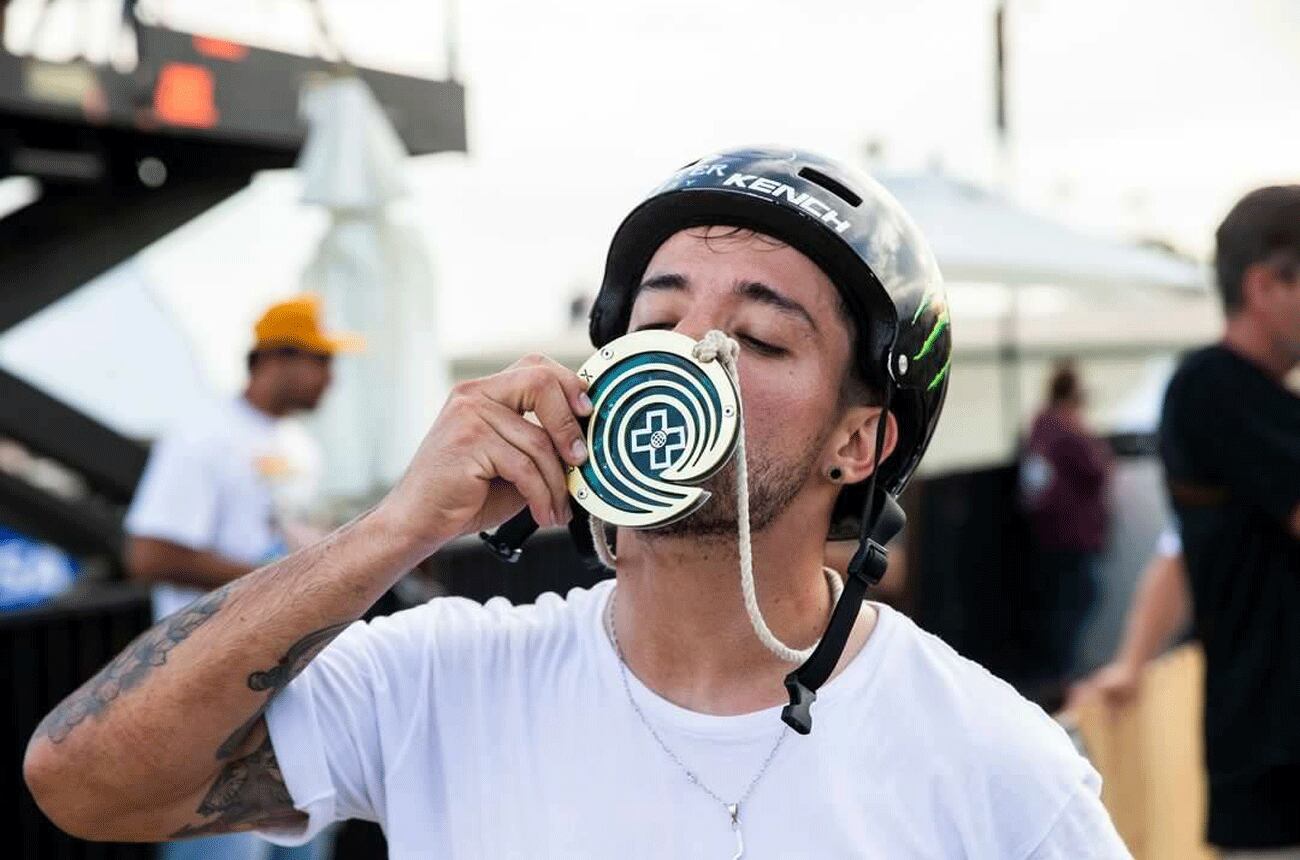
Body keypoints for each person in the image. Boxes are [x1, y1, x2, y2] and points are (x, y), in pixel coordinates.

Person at [24, 147, 1129, 858]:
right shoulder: (443, 678)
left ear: (861, 438)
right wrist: (395, 526)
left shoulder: (994, 765)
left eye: (757, 335)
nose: (694, 353)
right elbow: (85, 783)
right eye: (660, 318)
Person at [1075, 186, 1300, 855]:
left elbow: (1183, 549)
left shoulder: (1254, 400)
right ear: (1264, 285)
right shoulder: (1216, 388)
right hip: (1273, 752)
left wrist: (1131, 660)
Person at [122, 292, 361, 860]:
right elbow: (149, 554)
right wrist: (279, 583)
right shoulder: (201, 436)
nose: (332, 378)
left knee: (300, 842)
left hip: (293, 688)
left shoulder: (299, 443)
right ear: (274, 359)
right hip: (209, 691)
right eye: (321, 360)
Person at [1022, 361, 1112, 682]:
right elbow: (1097, 470)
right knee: (1076, 604)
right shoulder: (1067, 432)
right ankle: (1064, 677)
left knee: (1063, 607)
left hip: (1050, 536)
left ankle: (1060, 674)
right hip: (1073, 538)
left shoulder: (1040, 428)